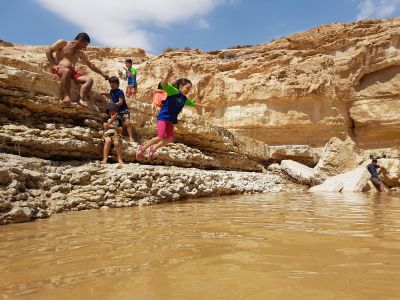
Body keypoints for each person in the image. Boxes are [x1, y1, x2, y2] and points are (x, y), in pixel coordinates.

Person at [136, 67, 206, 159]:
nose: (188, 90)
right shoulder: (174, 91)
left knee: (169, 138)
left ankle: (153, 149)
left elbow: (193, 104)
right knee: (160, 137)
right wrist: (168, 76)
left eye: (189, 89)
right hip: (163, 117)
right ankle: (142, 148)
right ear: (181, 86)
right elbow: (164, 84)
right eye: (187, 88)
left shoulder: (184, 99)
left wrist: (204, 106)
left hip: (171, 120)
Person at [46, 32, 109, 107]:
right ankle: (66, 96)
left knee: (89, 80)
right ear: (80, 40)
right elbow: (48, 51)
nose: (85, 47)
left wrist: (102, 73)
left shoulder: (80, 53)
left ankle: (80, 98)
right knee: (67, 71)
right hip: (60, 69)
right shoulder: (63, 43)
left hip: (72, 73)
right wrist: (53, 65)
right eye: (85, 45)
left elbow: (90, 65)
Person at [102, 76, 134, 141]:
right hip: (117, 110)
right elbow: (110, 94)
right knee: (115, 122)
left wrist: (112, 105)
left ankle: (131, 137)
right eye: (110, 83)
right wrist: (105, 94)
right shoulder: (111, 91)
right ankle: (116, 135)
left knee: (127, 122)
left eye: (113, 83)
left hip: (123, 110)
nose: (112, 85)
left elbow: (120, 102)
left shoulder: (120, 91)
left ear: (118, 84)